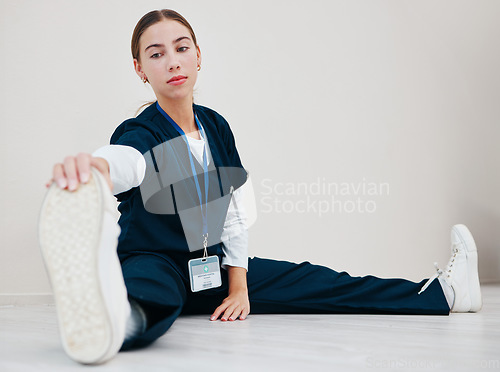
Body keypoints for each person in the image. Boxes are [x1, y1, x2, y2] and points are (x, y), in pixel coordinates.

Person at [38, 9, 482, 365]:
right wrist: (93, 168)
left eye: (181, 47)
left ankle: (445, 293)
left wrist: (238, 287)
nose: (171, 60)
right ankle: (117, 321)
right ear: (140, 70)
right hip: (154, 261)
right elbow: (126, 163)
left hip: (211, 268)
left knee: (316, 281)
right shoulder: (141, 131)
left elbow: (232, 213)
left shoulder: (215, 126)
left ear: (198, 56)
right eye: (156, 54)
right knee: (151, 292)